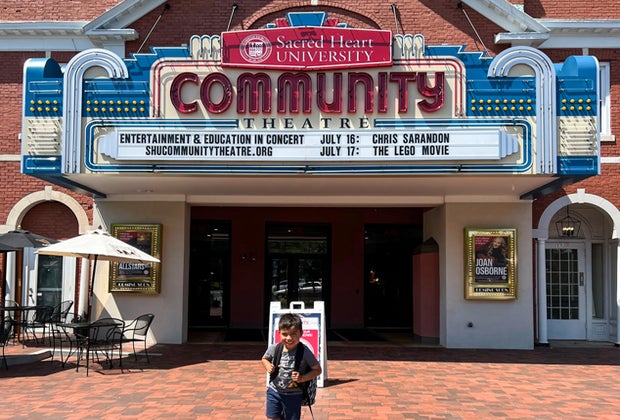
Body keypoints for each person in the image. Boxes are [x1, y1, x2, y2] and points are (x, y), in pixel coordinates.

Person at [261, 313, 322, 420]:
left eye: (294, 334)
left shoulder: (305, 352)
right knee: (271, 418)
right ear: (279, 333)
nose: (289, 338)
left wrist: (302, 378)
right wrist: (268, 366)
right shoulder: (275, 348)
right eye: (285, 334)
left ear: (301, 333)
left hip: (293, 395)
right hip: (274, 391)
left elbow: (317, 370)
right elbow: (264, 358)